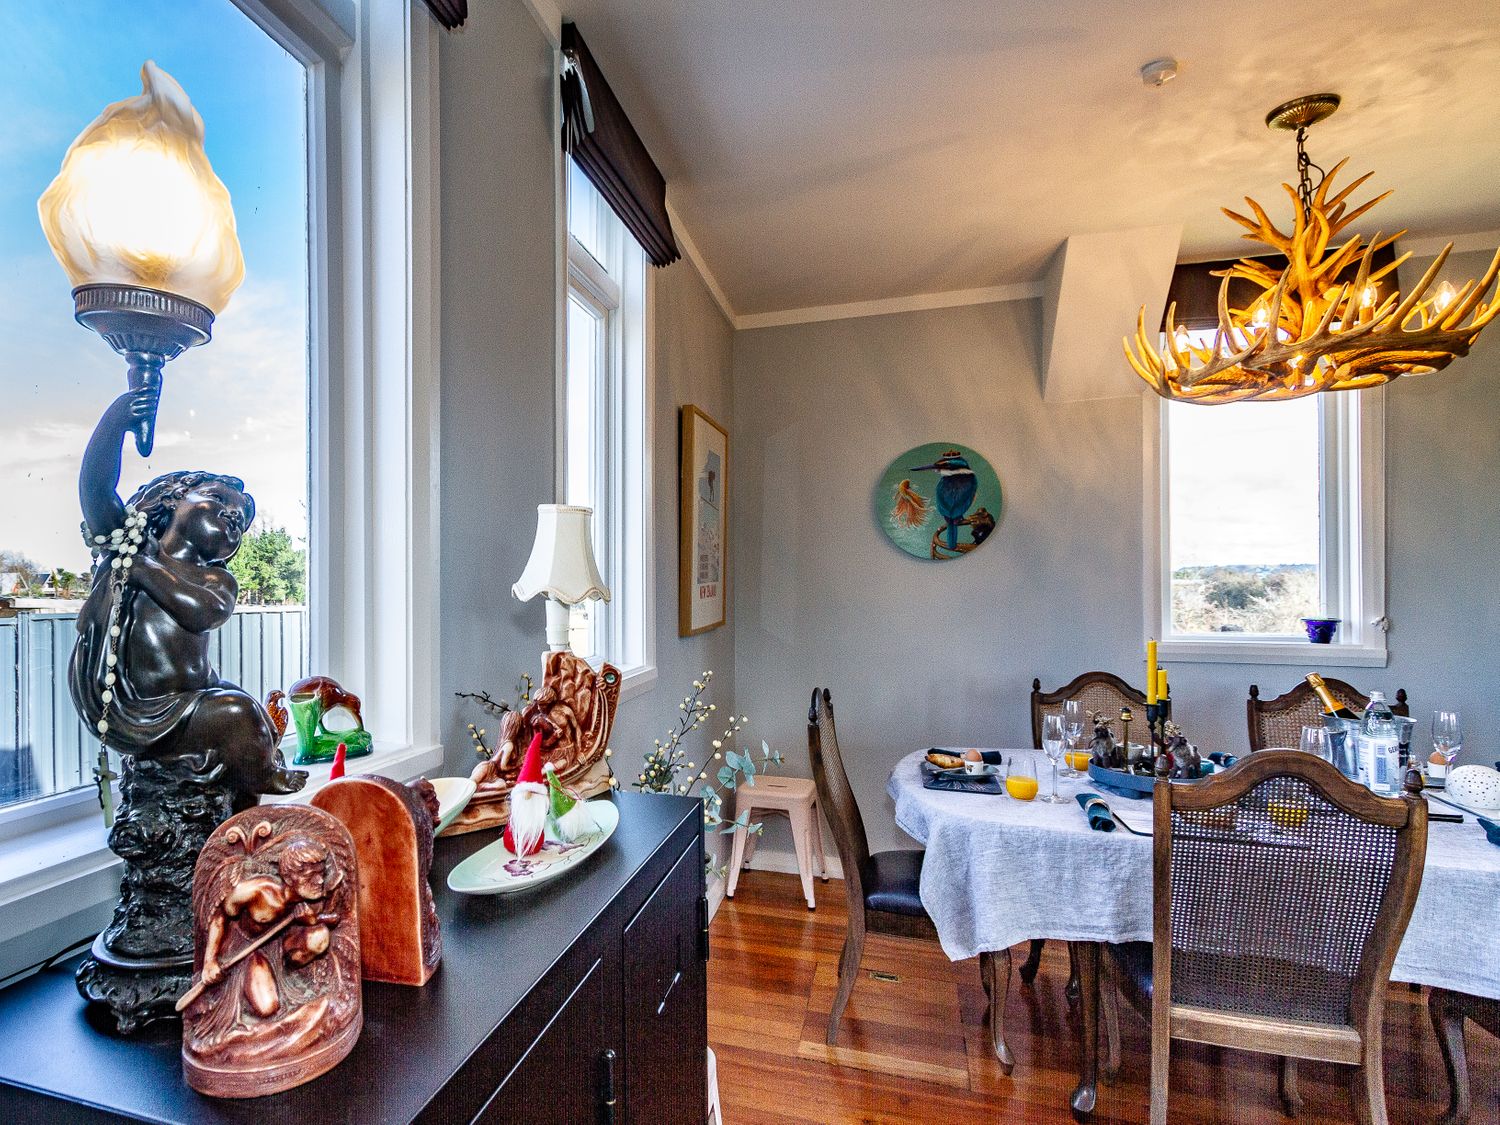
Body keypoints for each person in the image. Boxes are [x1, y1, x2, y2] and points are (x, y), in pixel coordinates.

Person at [69, 385, 305, 809]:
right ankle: (261, 771)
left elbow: (202, 613)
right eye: (219, 500)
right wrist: (119, 418)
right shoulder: (128, 542)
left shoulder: (214, 580)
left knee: (245, 709)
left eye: (241, 518)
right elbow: (96, 490)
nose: (233, 514)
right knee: (238, 713)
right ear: (175, 499)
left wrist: (143, 569)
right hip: (138, 709)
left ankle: (259, 768)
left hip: (191, 699)